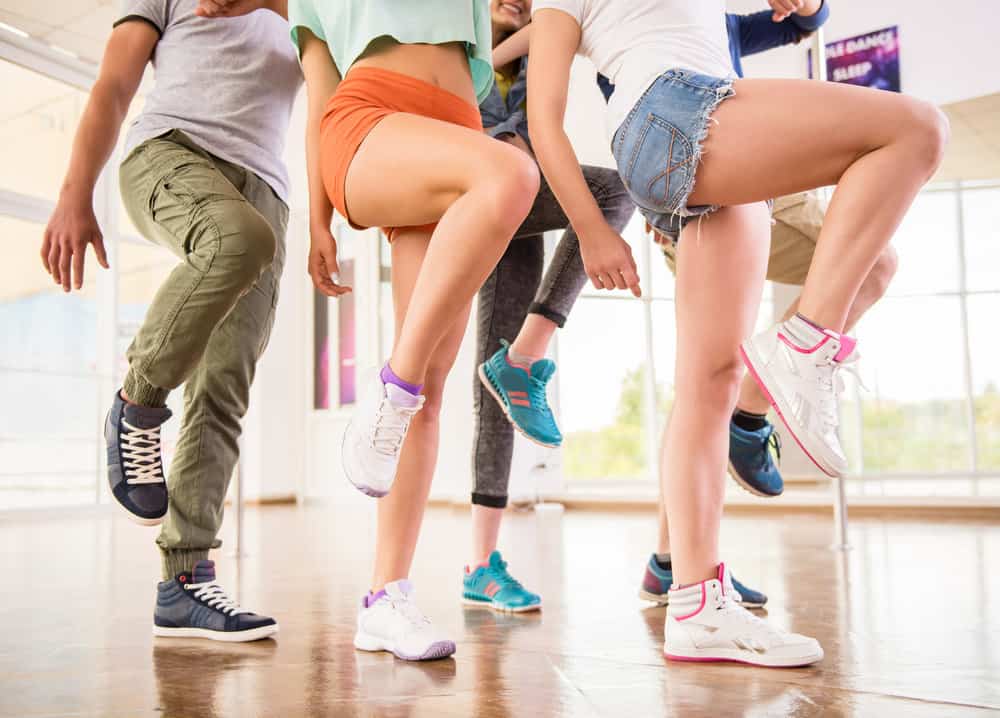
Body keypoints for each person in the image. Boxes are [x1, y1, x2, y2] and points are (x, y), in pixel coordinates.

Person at [527, 0, 947, 666]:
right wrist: (590, 227)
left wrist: (809, 6)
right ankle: (805, 345)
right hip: (674, 112)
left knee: (710, 380)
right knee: (918, 128)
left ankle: (695, 605)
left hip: (708, 145)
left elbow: (799, 20)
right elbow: (541, 113)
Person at [199, 0, 539, 659]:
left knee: (435, 384)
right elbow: (320, 86)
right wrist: (318, 220)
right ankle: (393, 388)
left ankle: (385, 599)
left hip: (455, 132)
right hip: (373, 123)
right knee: (512, 176)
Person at [41, 0, 301, 640]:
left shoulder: (310, 8)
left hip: (267, 189)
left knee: (224, 384)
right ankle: (137, 398)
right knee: (237, 239)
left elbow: (338, 88)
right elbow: (114, 85)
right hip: (170, 151)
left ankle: (184, 582)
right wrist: (76, 192)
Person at [622, 0, 889, 607]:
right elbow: (634, 102)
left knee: (875, 264)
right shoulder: (638, 22)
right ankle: (678, 558)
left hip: (764, 185)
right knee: (703, 381)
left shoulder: (718, 22)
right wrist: (654, 202)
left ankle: (749, 412)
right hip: (698, 187)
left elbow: (802, 23)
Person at [463, 0, 635, 614]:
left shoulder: (544, 48)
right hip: (475, 194)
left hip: (523, 208)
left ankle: (481, 565)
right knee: (612, 190)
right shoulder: (451, 47)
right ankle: (524, 358)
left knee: (495, 379)